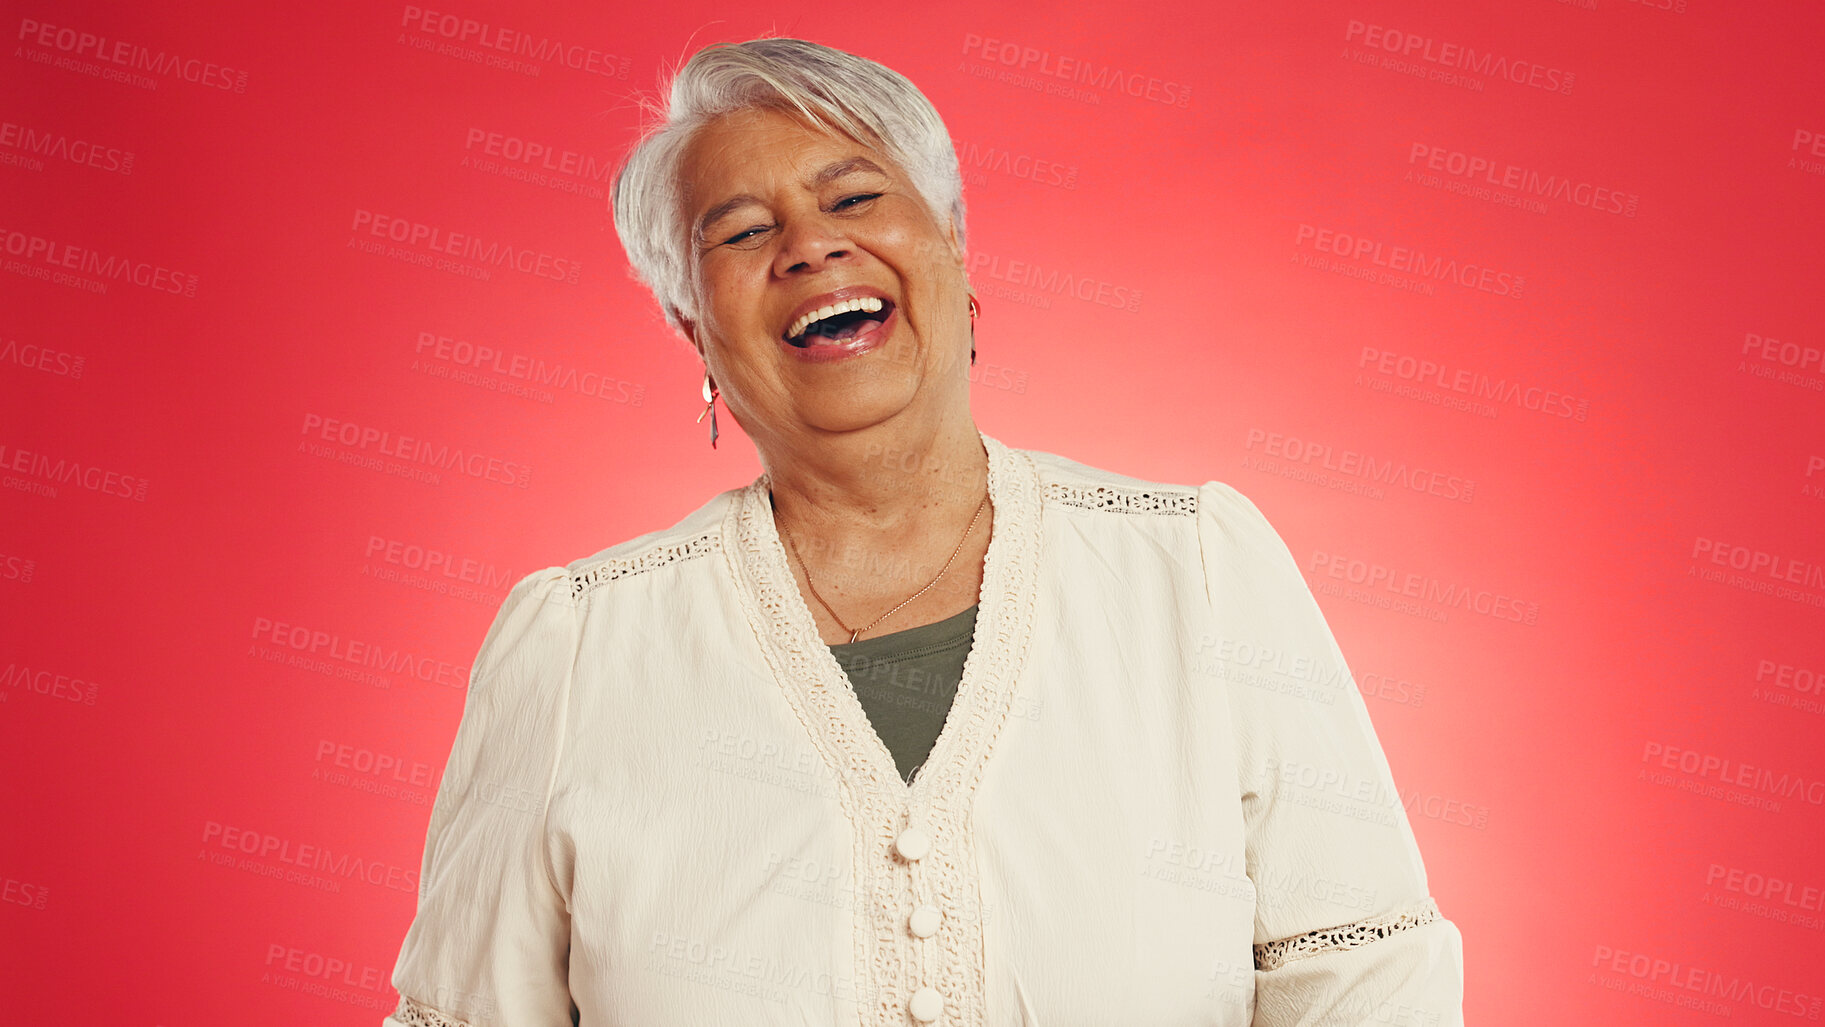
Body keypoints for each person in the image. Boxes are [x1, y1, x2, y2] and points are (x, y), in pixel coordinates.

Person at [383, 36, 1464, 1027]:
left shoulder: (1196, 572)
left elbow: (1370, 984)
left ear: (953, 249)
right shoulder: (575, 650)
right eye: (744, 231)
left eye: (854, 196)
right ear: (692, 328)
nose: (809, 245)